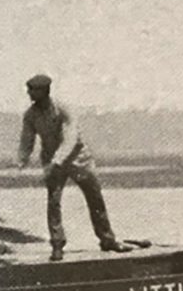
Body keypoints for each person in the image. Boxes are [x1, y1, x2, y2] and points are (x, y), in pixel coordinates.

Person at [14, 74, 129, 262]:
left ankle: (107, 239)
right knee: (53, 202)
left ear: (44, 91)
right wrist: (21, 160)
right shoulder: (30, 115)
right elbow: (27, 139)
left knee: (95, 198)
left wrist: (57, 161)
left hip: (78, 160)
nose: (29, 93)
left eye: (32, 90)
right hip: (52, 161)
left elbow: (70, 138)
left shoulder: (64, 109)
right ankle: (57, 245)